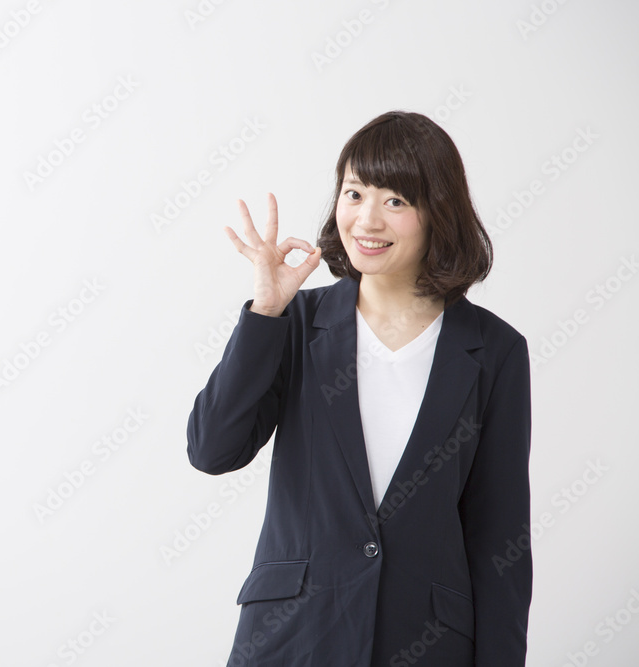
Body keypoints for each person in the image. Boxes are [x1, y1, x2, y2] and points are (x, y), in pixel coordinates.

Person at [186, 110, 532, 666]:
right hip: (294, 639)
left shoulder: (495, 351)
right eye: (354, 194)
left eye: (395, 200)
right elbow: (212, 450)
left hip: (425, 644)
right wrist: (265, 313)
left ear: (438, 211)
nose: (367, 220)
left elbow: (500, 541)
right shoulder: (294, 323)